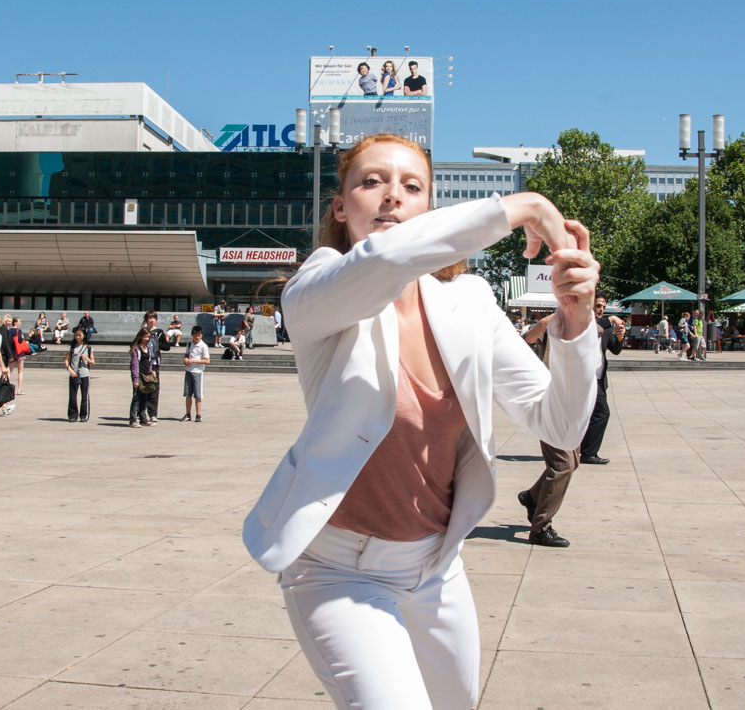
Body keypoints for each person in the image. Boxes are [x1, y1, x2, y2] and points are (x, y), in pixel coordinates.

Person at [242, 133, 601, 709]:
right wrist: (526, 206)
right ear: (340, 207)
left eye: (412, 187)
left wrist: (577, 320)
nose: (392, 196)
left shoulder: (469, 301)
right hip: (337, 569)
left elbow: (559, 425)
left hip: (435, 565)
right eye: (371, 182)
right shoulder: (316, 287)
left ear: (431, 210)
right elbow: (385, 259)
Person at [517, 311, 581, 548]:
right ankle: (541, 528)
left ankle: (533, 496)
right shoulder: (553, 327)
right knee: (562, 465)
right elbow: (527, 340)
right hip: (550, 403)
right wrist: (546, 322)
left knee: (573, 461)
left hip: (572, 405)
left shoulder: (586, 328)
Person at [580, 293, 625, 466]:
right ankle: (588, 453)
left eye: (604, 307)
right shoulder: (584, 322)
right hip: (585, 377)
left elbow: (615, 349)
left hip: (599, 378)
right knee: (602, 412)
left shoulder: (605, 327)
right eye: (598, 305)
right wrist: (611, 319)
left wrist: (620, 337)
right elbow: (591, 328)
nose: (601, 310)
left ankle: (583, 449)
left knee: (592, 414)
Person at [65, 326, 95, 422]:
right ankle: (72, 414)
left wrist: (86, 358)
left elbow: (93, 362)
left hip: (84, 374)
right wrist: (70, 370)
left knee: (84, 395)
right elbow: (66, 360)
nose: (77, 337)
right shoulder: (71, 347)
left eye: (79, 335)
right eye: (76, 335)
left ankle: (84, 414)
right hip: (74, 374)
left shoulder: (88, 348)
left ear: (84, 335)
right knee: (72, 396)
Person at [130, 330, 156, 426]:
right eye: (145, 337)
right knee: (136, 399)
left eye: (148, 337)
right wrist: (135, 379)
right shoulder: (136, 349)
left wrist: (151, 371)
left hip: (146, 377)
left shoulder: (148, 348)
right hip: (139, 376)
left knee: (144, 399)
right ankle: (132, 420)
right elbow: (135, 365)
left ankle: (143, 419)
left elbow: (149, 362)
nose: (147, 339)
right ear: (140, 337)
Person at [183, 324, 209, 422]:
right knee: (188, 394)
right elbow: (186, 354)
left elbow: (207, 361)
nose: (197, 337)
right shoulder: (189, 344)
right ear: (192, 335)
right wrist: (186, 359)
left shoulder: (203, 346)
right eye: (195, 335)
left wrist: (193, 361)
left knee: (198, 394)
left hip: (198, 372)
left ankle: (198, 414)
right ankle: (188, 414)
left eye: (199, 335)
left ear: (201, 335)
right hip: (188, 371)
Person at [141, 310, 163, 420]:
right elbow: (135, 344)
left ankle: (153, 414)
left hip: (154, 363)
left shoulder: (159, 332)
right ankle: (141, 413)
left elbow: (167, 346)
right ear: (146, 320)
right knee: (143, 388)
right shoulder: (143, 332)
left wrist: (158, 342)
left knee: (154, 389)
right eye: (150, 318)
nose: (152, 320)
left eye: (153, 318)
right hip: (144, 364)